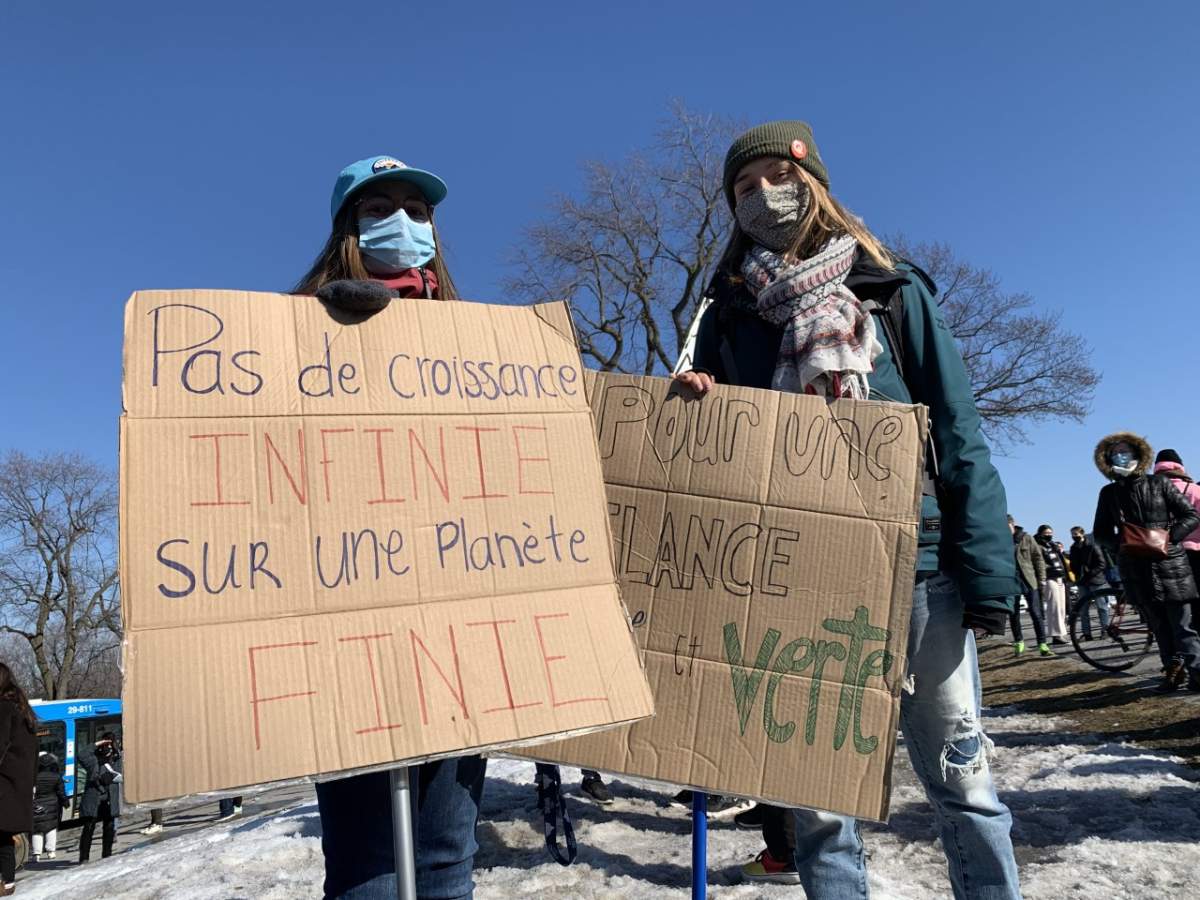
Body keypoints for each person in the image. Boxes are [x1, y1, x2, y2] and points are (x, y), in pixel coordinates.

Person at [677, 120, 1022, 898]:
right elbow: (715, 458)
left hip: (922, 578)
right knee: (823, 810)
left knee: (964, 788)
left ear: (815, 182)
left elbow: (960, 433)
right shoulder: (727, 320)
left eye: (777, 175)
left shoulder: (894, 291)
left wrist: (986, 574)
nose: (763, 195)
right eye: (742, 187)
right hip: (797, 583)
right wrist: (693, 402)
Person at [296, 155, 487, 900]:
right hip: (347, 636)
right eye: (380, 209)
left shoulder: (480, 344)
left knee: (445, 853)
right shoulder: (285, 338)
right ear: (348, 227)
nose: (404, 223)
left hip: (460, 635)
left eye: (418, 209)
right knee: (369, 864)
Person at [1093, 433, 1200, 692]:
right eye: (1115, 452)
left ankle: (1197, 674)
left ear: (1139, 454)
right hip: (1135, 568)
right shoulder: (1109, 494)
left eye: (1125, 451)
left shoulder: (1159, 484)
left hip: (1172, 565)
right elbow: (1101, 533)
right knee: (1159, 627)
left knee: (1183, 627)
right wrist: (1123, 544)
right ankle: (1173, 675)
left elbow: (1190, 515)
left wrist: (1169, 538)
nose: (1121, 455)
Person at [1153, 448, 1200, 640]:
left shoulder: (1150, 491)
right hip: (1196, 553)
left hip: (1165, 555)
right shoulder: (1196, 490)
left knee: (1176, 609)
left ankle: (1180, 654)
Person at [0, 663, 37, 896]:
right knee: (3, 837)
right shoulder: (21, 708)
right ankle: (8, 883)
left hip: (4, 784)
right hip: (15, 786)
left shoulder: (3, 708)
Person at [1009, 516, 1051, 656]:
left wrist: (1042, 578)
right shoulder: (1000, 540)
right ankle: (1019, 641)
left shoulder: (1026, 538)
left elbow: (1038, 558)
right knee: (1013, 613)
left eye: (1007, 526)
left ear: (1013, 525)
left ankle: (1042, 644)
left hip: (1029, 580)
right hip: (1010, 581)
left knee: (1035, 612)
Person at [77, 732, 122, 863]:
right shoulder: (93, 759)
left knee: (109, 827)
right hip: (94, 798)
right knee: (89, 827)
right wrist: (97, 744)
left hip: (110, 798)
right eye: (105, 744)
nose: (107, 747)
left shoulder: (116, 759)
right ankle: (84, 857)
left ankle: (107, 855)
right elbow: (81, 755)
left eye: (110, 743)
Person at [1068, 526, 1111, 639]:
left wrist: (1090, 573)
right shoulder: (1073, 548)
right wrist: (1077, 573)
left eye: (1076, 534)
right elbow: (1072, 564)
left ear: (1082, 534)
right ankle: (1087, 633)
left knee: (1102, 607)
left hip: (1096, 581)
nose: (1074, 537)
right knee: (1083, 609)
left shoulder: (1092, 546)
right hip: (1082, 582)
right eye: (1072, 535)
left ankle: (1105, 630)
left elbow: (1102, 564)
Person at [1034, 525, 1070, 645]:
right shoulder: (1038, 546)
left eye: (1050, 532)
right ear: (1040, 533)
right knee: (1054, 607)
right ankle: (1056, 634)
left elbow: (1060, 560)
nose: (1049, 535)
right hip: (1049, 578)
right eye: (1046, 533)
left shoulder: (1052, 545)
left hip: (1060, 577)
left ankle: (1062, 632)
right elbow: (1040, 563)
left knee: (1061, 608)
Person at [31, 752, 67, 862]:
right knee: (51, 829)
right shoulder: (56, 777)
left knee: (37, 830)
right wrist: (66, 802)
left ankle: (36, 854)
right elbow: (61, 792)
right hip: (52, 805)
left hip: (36, 805)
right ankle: (51, 852)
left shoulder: (33, 777)